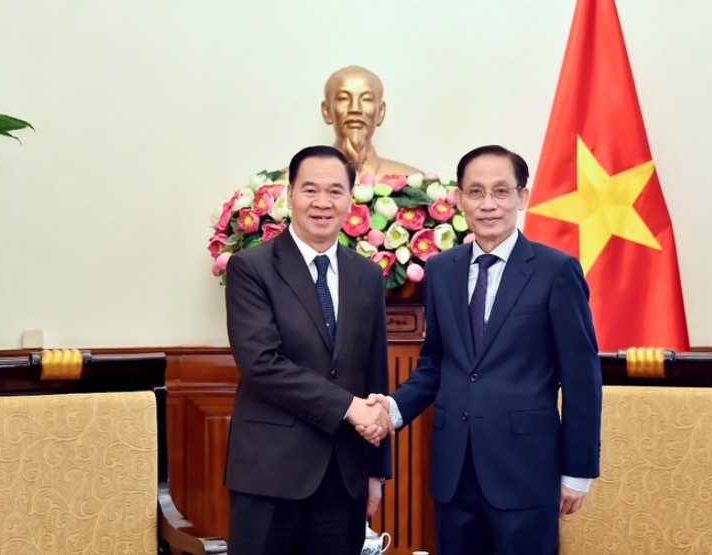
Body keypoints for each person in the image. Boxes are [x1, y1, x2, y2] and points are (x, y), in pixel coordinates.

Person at [364, 145, 602, 555]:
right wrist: (394, 409)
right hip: (455, 473)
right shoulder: (440, 270)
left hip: (527, 471)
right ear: (458, 199)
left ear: (521, 197)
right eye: (475, 192)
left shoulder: (556, 271)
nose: (488, 204)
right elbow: (436, 362)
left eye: (501, 192)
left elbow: (582, 378)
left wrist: (578, 471)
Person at [225, 145, 393, 555]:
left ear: (351, 201)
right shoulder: (251, 269)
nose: (323, 202)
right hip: (270, 477)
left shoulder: (367, 275)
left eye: (335, 191)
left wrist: (376, 472)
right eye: (310, 190)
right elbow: (262, 365)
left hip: (344, 479)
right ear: (290, 195)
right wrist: (349, 408)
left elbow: (375, 374)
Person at [321, 65, 422, 179]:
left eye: (366, 99)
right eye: (343, 98)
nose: (355, 109)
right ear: (326, 111)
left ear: (381, 112)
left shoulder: (415, 183)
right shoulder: (301, 181)